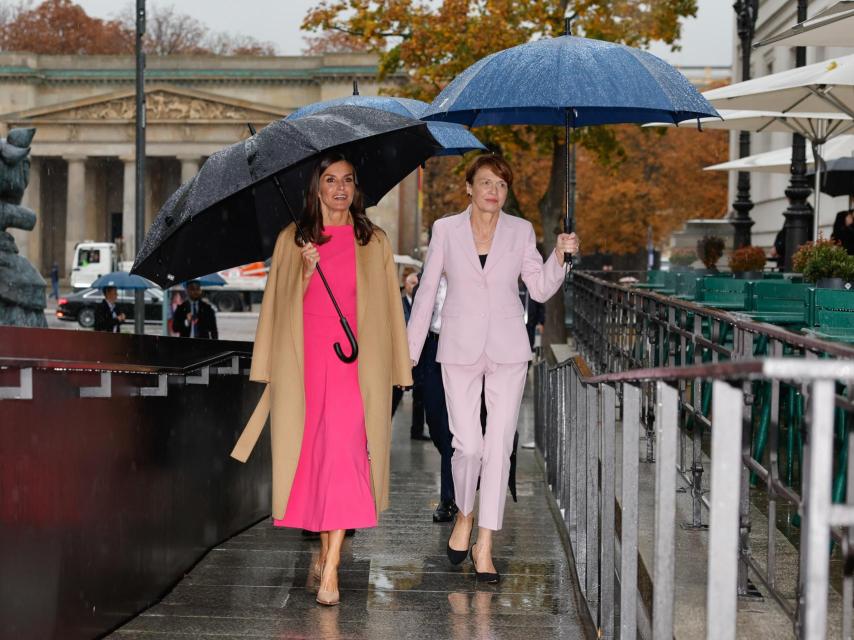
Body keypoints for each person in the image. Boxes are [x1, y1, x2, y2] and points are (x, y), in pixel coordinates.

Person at [229, 152, 412, 607]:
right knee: (317, 463)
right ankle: (326, 554)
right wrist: (307, 271)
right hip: (307, 369)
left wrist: (397, 368)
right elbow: (278, 309)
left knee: (348, 459)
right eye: (330, 180)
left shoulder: (376, 240)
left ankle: (330, 567)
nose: (340, 189)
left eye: (348, 180)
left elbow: (390, 310)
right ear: (316, 188)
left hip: (357, 370)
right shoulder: (293, 240)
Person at [407, 154, 579, 584]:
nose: (493, 192)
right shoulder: (446, 229)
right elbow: (427, 291)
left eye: (501, 185)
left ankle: (485, 543)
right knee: (466, 446)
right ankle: (465, 513)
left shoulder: (521, 230)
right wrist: (408, 353)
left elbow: (538, 286)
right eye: (485, 183)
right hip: (458, 346)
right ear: (469, 187)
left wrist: (560, 255)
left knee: (499, 446)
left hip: (507, 348)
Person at [416, 273, 458, 522]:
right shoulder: (428, 271)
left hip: (460, 347)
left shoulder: (468, 265)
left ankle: (448, 498)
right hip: (431, 348)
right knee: (433, 420)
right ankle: (461, 467)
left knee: (449, 426)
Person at [392, 270, 429, 440]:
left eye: (416, 284)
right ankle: (385, 426)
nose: (413, 287)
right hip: (401, 356)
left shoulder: (423, 305)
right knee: (395, 395)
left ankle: (417, 430)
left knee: (420, 395)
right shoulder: (398, 304)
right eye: (411, 283)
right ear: (405, 285)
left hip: (419, 358)